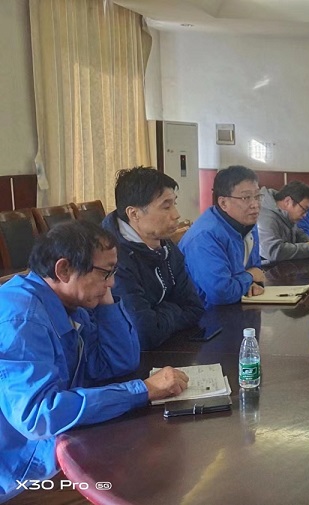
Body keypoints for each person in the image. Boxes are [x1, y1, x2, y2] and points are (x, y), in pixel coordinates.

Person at [0, 221, 188, 501]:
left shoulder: (67, 302)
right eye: (105, 273)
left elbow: (116, 364)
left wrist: (104, 296)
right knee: (143, 483)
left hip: (55, 448)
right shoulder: (22, 319)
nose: (112, 282)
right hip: (22, 475)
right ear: (64, 270)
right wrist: (142, 390)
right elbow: (39, 416)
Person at [101, 166, 204, 349]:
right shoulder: (112, 258)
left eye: (174, 203)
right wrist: (173, 308)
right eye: (166, 206)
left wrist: (158, 313)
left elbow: (194, 308)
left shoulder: (165, 245)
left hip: (168, 348)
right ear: (134, 214)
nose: (176, 214)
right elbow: (143, 332)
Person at [180, 165, 265, 306]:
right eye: (246, 198)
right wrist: (249, 277)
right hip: (205, 314)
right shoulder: (205, 236)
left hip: (237, 305)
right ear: (223, 203)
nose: (255, 204)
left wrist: (252, 283)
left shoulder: (247, 224)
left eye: (257, 196)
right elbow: (220, 293)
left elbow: (257, 270)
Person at [258, 181, 309, 265]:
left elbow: (299, 234)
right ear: (288, 201)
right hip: (265, 270)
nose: (305, 215)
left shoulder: (287, 216)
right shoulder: (266, 217)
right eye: (304, 209)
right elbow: (274, 251)